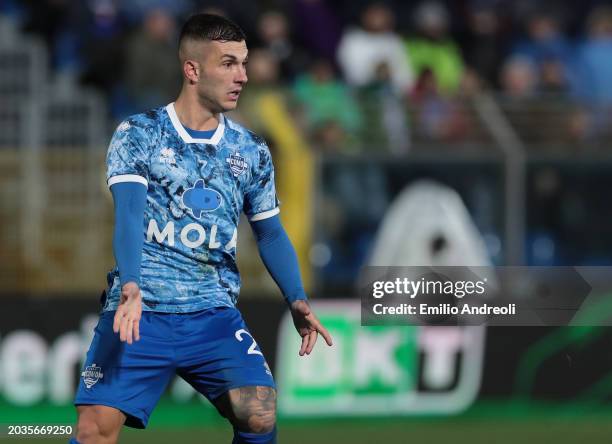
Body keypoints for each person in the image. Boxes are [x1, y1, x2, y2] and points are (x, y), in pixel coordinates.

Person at [71, 13, 332, 444]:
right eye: (228, 63)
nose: (243, 76)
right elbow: (130, 215)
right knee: (95, 428)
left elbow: (269, 232)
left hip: (212, 314)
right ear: (192, 69)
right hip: (141, 311)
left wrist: (297, 297)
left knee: (260, 411)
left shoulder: (250, 150)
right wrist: (131, 285)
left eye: (244, 63)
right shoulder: (140, 134)